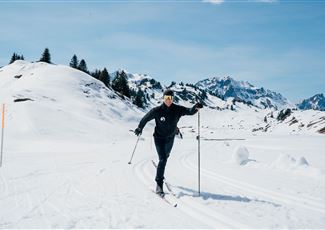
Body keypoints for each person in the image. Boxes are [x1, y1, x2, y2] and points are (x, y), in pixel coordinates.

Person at [134, 89, 203, 196]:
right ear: (163, 98)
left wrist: (196, 107)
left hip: (170, 138)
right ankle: (159, 183)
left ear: (172, 98)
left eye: (170, 98)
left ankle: (161, 168)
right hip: (159, 138)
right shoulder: (157, 110)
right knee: (163, 159)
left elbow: (189, 111)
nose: (168, 100)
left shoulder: (177, 109)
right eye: (166, 98)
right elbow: (145, 118)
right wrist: (139, 128)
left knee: (166, 156)